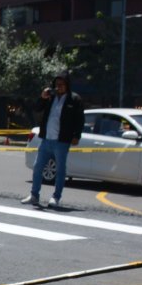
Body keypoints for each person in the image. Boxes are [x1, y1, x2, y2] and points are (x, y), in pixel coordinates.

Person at [23, 72, 84, 208]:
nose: (59, 87)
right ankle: (34, 195)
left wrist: (76, 136)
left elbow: (80, 120)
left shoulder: (74, 99)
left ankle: (55, 197)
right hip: (46, 139)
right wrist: (43, 97)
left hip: (61, 141)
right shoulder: (50, 98)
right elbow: (37, 108)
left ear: (67, 85)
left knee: (60, 170)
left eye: (62, 84)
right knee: (38, 166)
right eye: (57, 85)